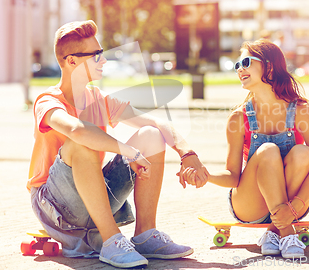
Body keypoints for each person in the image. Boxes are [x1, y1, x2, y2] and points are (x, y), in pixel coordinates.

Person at [27, 20, 209, 268]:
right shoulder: (47, 101)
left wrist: (188, 153)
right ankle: (112, 241)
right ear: (72, 62)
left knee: (151, 136)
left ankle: (145, 235)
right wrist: (128, 151)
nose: (104, 61)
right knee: (82, 141)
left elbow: (158, 123)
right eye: (97, 55)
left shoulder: (97, 99)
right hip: (55, 205)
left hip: (93, 196)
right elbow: (76, 130)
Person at [195, 40, 309, 258]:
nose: (240, 69)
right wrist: (206, 175)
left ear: (269, 66)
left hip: (294, 205)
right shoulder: (238, 118)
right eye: (237, 64)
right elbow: (232, 176)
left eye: (246, 62)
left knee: (303, 153)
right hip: (250, 206)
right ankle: (285, 233)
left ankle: (272, 233)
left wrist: (294, 207)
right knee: (267, 150)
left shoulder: (303, 112)